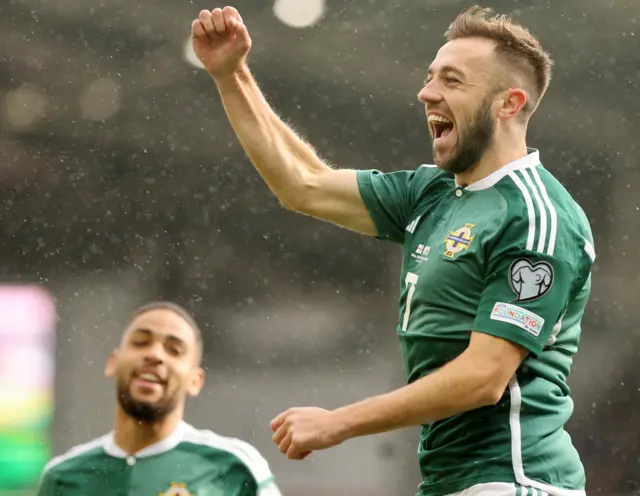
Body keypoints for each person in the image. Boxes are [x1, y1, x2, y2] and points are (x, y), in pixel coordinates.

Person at [191, 5, 595, 496]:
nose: (426, 93)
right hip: (454, 483)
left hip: (515, 482)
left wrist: (338, 422)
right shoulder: (434, 193)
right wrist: (231, 74)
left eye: (452, 80)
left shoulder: (536, 216)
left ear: (508, 104)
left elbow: (483, 378)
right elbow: (304, 185)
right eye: (429, 77)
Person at [37, 301, 281, 496]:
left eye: (174, 350)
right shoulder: (63, 477)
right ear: (113, 362)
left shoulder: (234, 467)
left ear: (195, 381)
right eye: (141, 342)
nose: (154, 354)